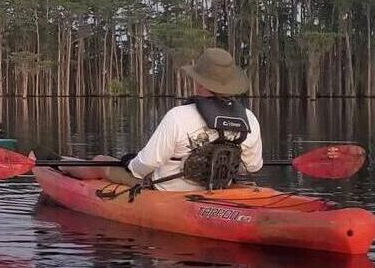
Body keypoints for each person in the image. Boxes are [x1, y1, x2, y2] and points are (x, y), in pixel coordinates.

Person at [82, 48, 263, 192]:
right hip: (219, 189)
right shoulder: (249, 119)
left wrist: (130, 163)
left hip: (168, 191)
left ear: (199, 82)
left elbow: (144, 166)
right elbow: (253, 166)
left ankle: (57, 171)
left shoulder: (178, 116)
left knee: (101, 161)